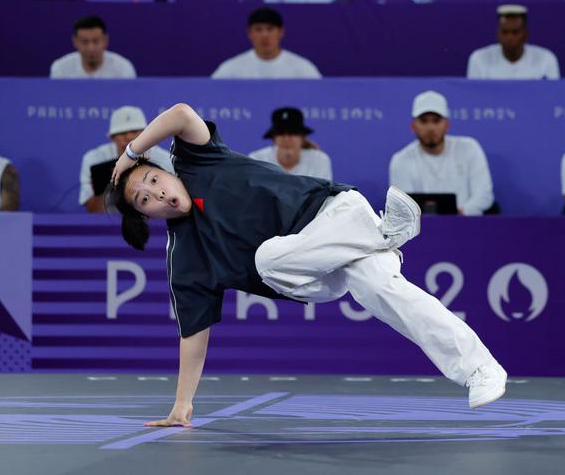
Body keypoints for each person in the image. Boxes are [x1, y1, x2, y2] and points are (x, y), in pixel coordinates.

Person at [107, 103, 507, 426]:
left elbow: (180, 113)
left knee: (388, 293)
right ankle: (384, 236)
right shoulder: (185, 258)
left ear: (163, 169)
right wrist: (182, 405)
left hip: (335, 212)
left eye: (154, 181)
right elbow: (193, 334)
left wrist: (130, 153)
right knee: (269, 260)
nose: (158, 194)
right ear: (145, 215)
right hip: (311, 278)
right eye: (145, 199)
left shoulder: (199, 159)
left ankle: (481, 369)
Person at [389, 91, 494, 215]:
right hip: (421, 227)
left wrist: (459, 214)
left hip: (467, 223)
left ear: (447, 125)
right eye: (424, 121)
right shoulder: (400, 160)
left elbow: (484, 195)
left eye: (436, 121)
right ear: (413, 126)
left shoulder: (469, 148)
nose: (430, 128)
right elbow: (403, 207)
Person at [79, 106, 173, 213]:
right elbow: (94, 212)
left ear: (146, 133)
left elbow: (172, 205)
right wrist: (101, 189)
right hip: (111, 220)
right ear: (112, 137)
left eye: (134, 131)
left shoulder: (164, 160)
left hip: (153, 219)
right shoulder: (95, 160)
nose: (129, 137)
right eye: (122, 133)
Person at [211, 7, 322, 79]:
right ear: (249, 33)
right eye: (258, 29)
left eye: (270, 29)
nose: (264, 35)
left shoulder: (303, 69)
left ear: (281, 32)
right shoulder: (231, 69)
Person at [466, 5, 560, 80]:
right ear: (498, 34)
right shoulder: (479, 59)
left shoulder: (546, 59)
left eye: (515, 32)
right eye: (505, 32)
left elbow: (552, 95)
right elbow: (474, 95)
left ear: (525, 34)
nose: (509, 38)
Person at [249, 107, 332, 180]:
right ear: (273, 138)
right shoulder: (257, 160)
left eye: (293, 132)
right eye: (281, 133)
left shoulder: (319, 161)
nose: (286, 138)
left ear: (302, 137)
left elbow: (323, 192)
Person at [50, 15, 137, 79]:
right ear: (75, 42)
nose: (90, 48)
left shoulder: (123, 69)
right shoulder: (60, 68)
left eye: (96, 41)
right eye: (84, 42)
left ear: (105, 40)